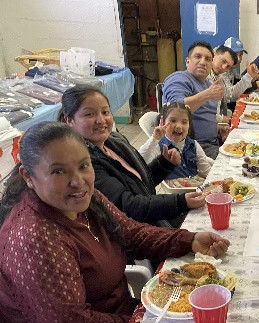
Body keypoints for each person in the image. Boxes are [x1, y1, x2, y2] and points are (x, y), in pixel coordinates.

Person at [0, 122, 230, 323]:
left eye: (83, 166)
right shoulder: (34, 237)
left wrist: (190, 240)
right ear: (28, 177)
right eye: (59, 171)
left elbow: (131, 233)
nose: (78, 181)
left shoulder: (85, 200)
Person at [60, 85, 205, 228]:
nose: (101, 120)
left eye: (105, 112)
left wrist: (164, 164)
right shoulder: (84, 163)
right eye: (89, 114)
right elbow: (129, 206)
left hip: (148, 217)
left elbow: (138, 183)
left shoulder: (114, 142)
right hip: (133, 231)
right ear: (69, 121)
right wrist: (180, 202)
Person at [162, 41, 226, 158]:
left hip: (214, 143)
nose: (203, 62)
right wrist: (208, 95)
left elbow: (204, 116)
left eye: (208, 59)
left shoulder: (208, 85)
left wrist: (218, 129)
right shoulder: (179, 78)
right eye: (198, 56)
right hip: (193, 150)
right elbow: (174, 110)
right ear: (187, 61)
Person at [138, 102, 213, 179]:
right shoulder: (159, 145)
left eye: (184, 122)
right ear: (163, 122)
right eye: (173, 121)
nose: (179, 126)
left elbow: (207, 171)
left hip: (195, 185)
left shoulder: (193, 145)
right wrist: (154, 139)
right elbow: (138, 163)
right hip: (167, 187)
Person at [221, 37, 259, 112]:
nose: (239, 59)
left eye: (241, 55)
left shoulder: (231, 67)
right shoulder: (221, 69)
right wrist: (255, 84)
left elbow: (238, 81)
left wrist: (253, 76)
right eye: (235, 54)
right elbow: (231, 95)